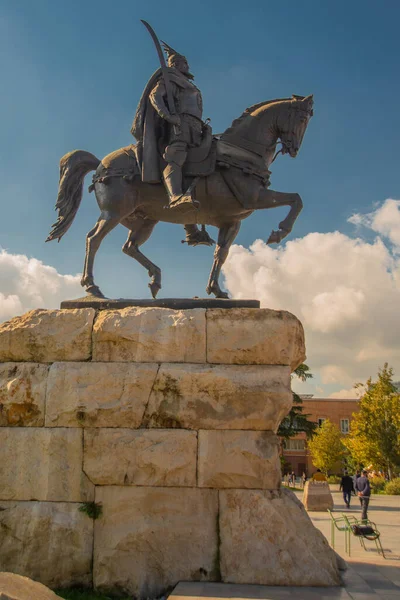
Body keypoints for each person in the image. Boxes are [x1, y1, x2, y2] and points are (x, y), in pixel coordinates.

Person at [132, 41, 208, 211]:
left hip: (195, 127)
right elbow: (155, 96)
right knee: (177, 157)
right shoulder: (170, 79)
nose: (187, 66)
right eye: (183, 63)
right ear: (174, 64)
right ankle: (175, 197)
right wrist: (168, 116)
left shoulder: (186, 83)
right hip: (180, 126)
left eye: (187, 63)